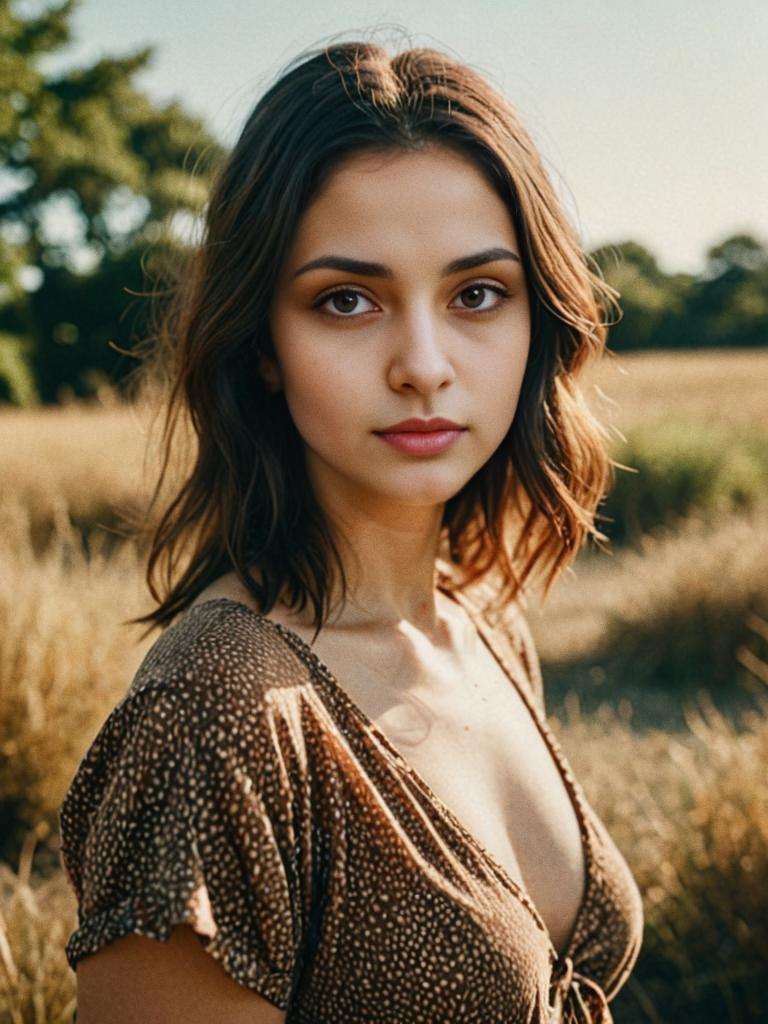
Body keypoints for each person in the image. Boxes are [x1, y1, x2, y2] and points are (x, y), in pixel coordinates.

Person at [58, 40, 644, 1023]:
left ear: (536, 321)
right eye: (347, 300)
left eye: (476, 294)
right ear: (264, 348)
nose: (423, 363)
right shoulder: (216, 715)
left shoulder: (481, 619)